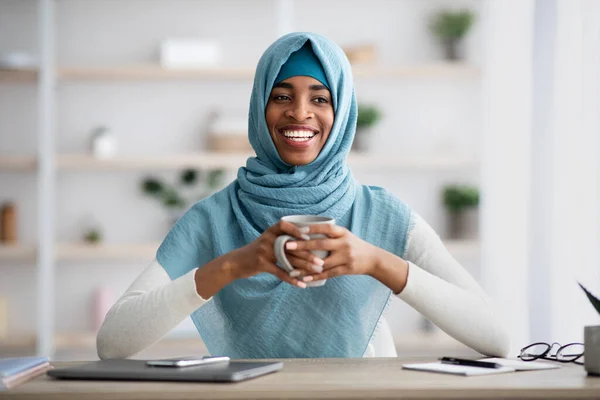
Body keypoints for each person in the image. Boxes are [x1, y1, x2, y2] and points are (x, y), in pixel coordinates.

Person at [97, 32, 510, 359]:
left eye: (319, 98)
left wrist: (376, 261)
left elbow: (495, 336)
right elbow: (112, 342)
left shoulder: (381, 214)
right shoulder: (214, 218)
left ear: (342, 111)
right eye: (281, 96)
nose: (299, 112)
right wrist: (235, 264)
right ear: (261, 107)